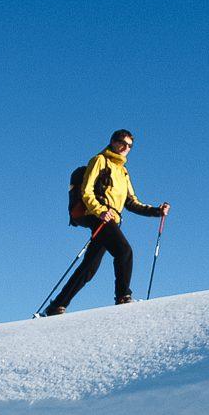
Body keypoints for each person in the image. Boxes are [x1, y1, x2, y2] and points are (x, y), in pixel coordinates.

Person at [45, 129, 170, 316]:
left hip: (112, 220)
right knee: (124, 251)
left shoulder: (123, 172)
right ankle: (123, 296)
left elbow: (131, 202)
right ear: (112, 141)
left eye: (129, 146)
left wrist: (156, 211)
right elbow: (87, 191)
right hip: (99, 216)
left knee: (89, 267)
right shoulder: (99, 161)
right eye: (122, 142)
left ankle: (57, 305)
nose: (125, 148)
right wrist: (101, 211)